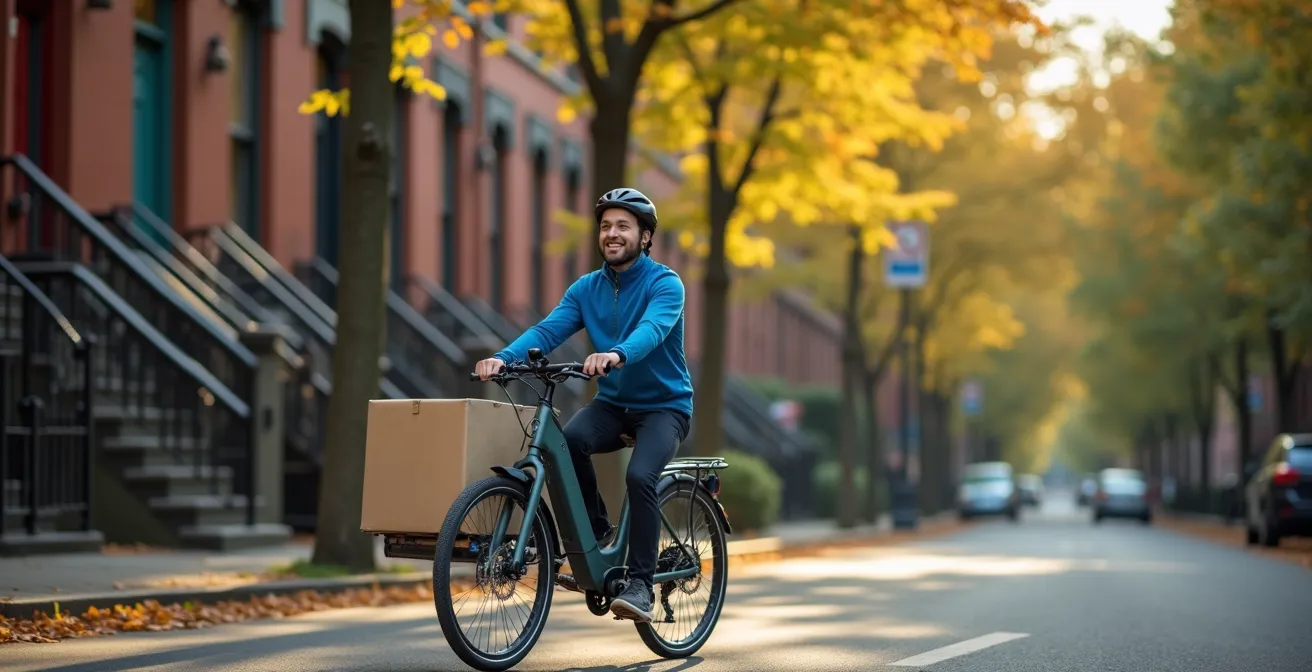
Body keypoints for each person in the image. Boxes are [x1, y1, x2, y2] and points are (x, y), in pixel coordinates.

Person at [473, 187, 693, 623]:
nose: (612, 234)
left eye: (623, 227)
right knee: (569, 442)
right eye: (606, 226)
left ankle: (641, 585)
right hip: (613, 404)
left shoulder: (665, 283)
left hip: (664, 407)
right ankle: (598, 539)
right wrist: (504, 357)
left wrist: (617, 354)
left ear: (645, 237)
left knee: (640, 475)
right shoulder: (586, 289)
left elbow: (652, 329)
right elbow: (548, 330)